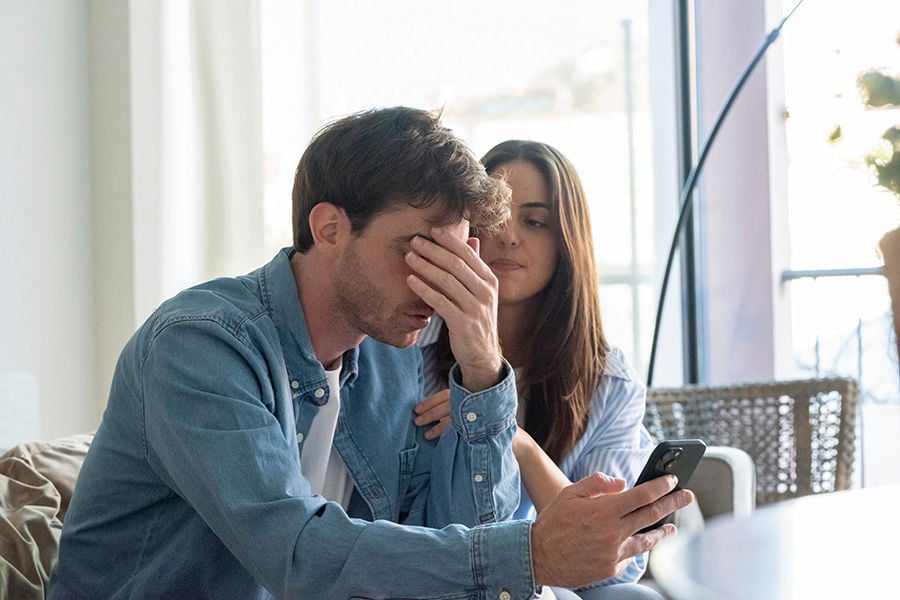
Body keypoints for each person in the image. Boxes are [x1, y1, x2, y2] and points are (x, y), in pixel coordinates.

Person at [50, 109, 692, 600]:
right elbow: (295, 553)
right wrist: (530, 554)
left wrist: (482, 370)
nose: (438, 283)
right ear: (328, 228)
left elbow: (453, 537)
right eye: (416, 250)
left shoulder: (393, 355)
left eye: (458, 255)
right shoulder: (201, 345)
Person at [416, 140, 660, 599]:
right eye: (495, 215)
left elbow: (617, 564)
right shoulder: (414, 347)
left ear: (566, 240)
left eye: (535, 221)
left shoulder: (606, 380)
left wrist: (513, 438)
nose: (509, 236)